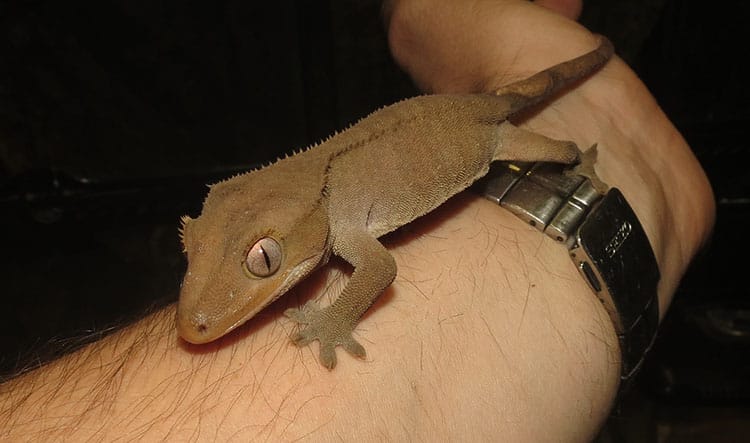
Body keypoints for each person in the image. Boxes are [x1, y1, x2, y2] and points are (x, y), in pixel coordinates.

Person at [0, 0, 713, 440]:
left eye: (262, 262)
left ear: (303, 234)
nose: (201, 310)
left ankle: (582, 129)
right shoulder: (296, 207)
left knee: (554, 150)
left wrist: (335, 319)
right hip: (438, 115)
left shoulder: (344, 235)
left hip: (481, 128)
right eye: (196, 250)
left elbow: (381, 266)